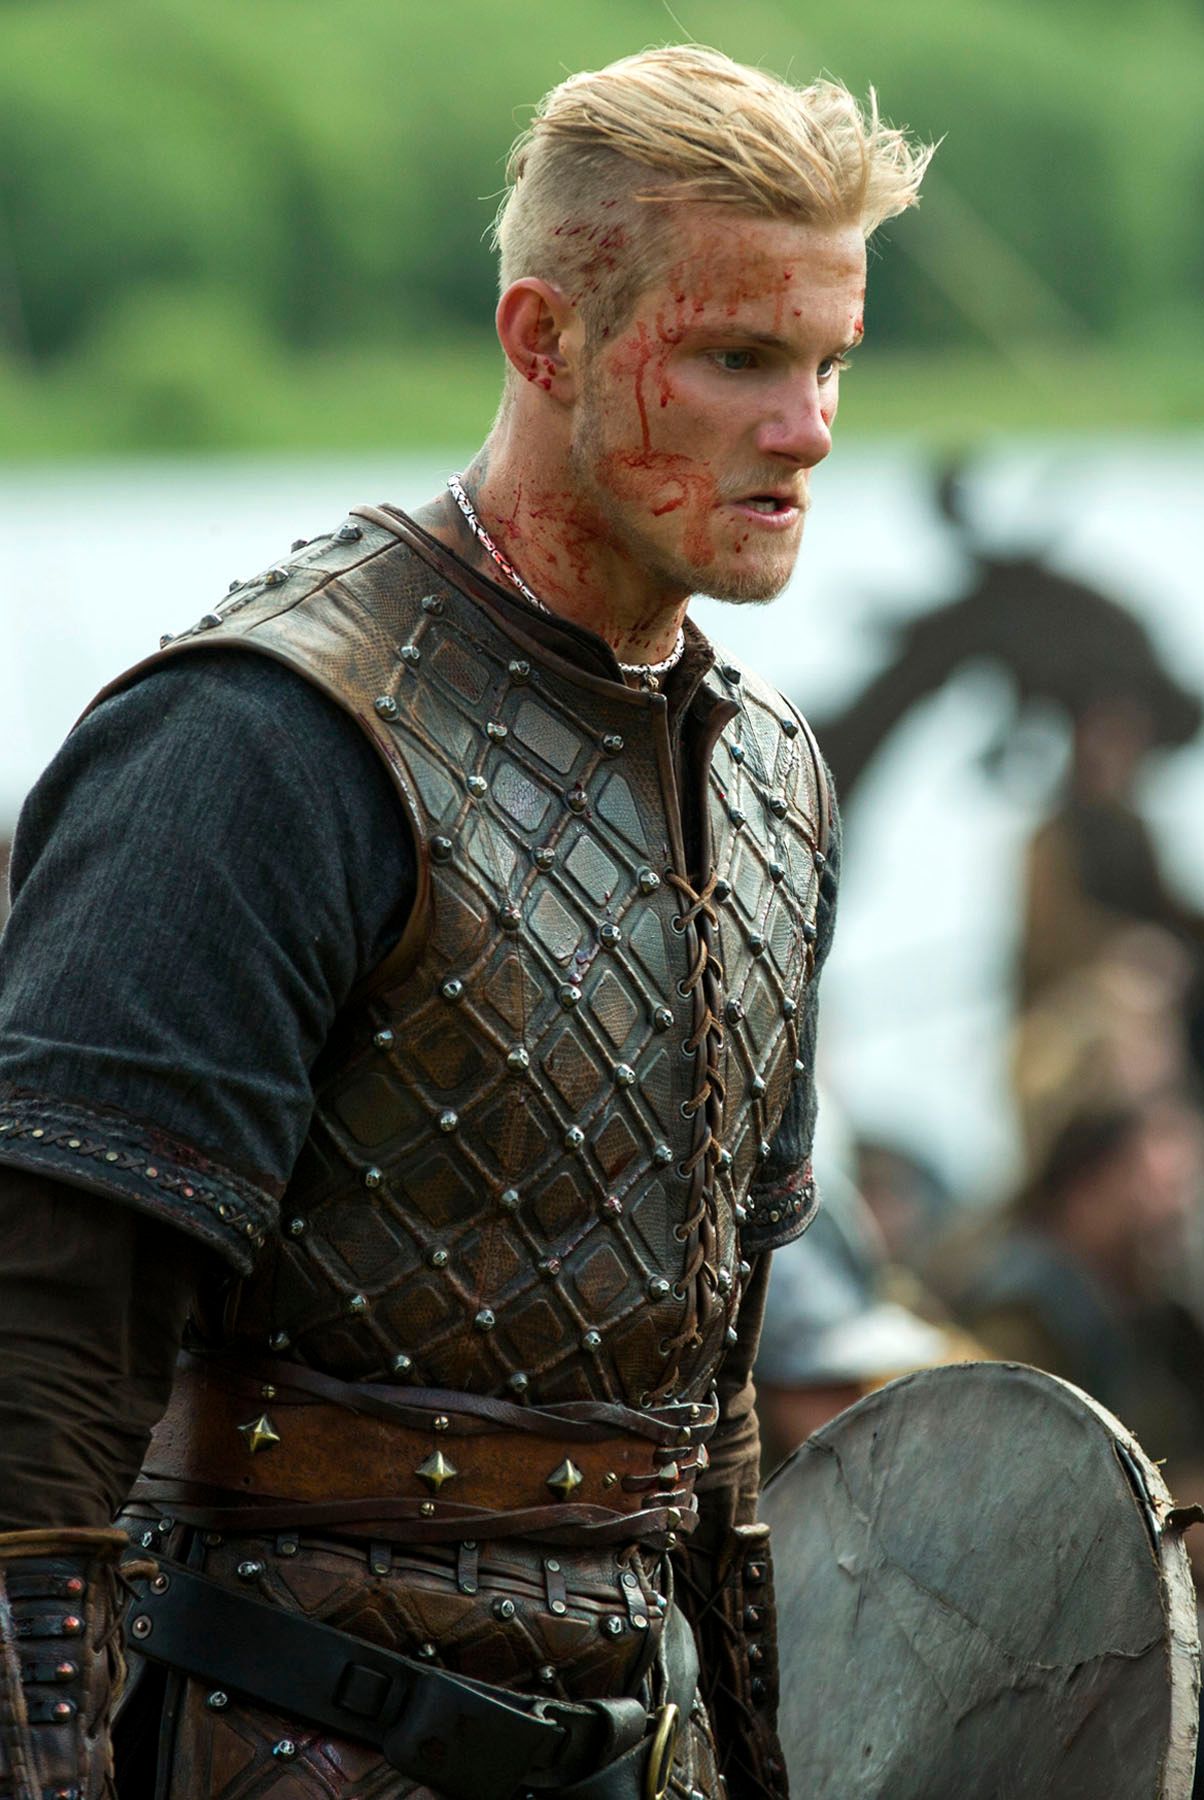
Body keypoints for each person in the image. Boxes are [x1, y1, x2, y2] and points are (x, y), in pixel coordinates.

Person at [0, 47, 931, 1800]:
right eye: (739, 358)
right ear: (544, 339)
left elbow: (708, 1406)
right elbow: (36, 1359)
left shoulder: (771, 779)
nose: (808, 429)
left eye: (830, 364)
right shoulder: (263, 741)